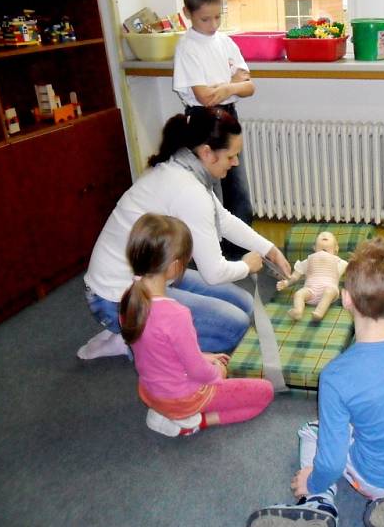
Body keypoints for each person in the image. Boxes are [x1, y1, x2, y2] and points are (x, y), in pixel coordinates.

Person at [247, 238, 384, 527]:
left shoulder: (336, 376)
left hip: (377, 478)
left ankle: (319, 505)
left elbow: (331, 462)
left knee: (312, 431)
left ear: (345, 298)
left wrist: (313, 481)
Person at [79, 107, 291, 360]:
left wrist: (270, 249)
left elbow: (222, 220)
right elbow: (214, 273)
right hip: (114, 299)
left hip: (149, 280)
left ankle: (135, 331)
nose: (235, 163)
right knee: (234, 327)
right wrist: (247, 266)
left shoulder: (186, 169)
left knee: (245, 304)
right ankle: (132, 339)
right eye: (231, 156)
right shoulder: (189, 190)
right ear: (207, 152)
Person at [120, 213, 274, 437]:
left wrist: (204, 356)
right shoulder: (176, 314)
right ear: (174, 266)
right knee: (265, 392)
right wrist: (217, 372)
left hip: (151, 392)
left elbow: (159, 353)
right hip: (184, 398)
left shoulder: (128, 298)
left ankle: (165, 414)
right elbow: (197, 372)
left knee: (207, 363)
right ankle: (193, 422)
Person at [173, 0, 255, 257]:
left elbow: (249, 85)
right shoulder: (187, 47)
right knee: (205, 193)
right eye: (205, 19)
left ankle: (241, 249)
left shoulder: (226, 42)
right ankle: (207, 252)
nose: (213, 25)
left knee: (237, 188)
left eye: (217, 17)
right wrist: (230, 85)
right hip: (202, 122)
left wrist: (227, 87)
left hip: (228, 119)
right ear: (187, 14)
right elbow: (203, 97)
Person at [277, 231, 348, 321]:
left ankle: (319, 312)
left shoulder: (339, 262)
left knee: (329, 291)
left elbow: (353, 270)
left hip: (329, 290)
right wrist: (287, 282)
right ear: (314, 247)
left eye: (329, 236)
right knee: (299, 294)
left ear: (336, 248)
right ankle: (298, 311)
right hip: (311, 291)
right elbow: (295, 276)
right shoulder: (308, 261)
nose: (324, 235)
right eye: (320, 236)